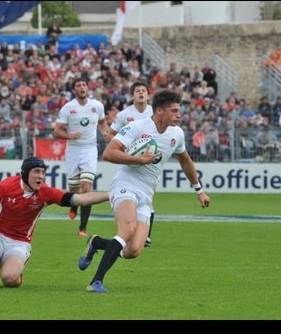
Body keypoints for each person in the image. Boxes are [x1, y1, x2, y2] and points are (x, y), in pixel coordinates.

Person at [79, 89, 211, 293]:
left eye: (179, 110)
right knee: (127, 229)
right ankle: (96, 282)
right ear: (159, 110)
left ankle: (96, 243)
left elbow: (185, 160)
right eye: (174, 110)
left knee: (133, 250)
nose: (179, 114)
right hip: (125, 184)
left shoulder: (177, 133)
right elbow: (109, 153)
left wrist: (199, 190)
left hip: (146, 194)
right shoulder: (137, 127)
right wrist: (140, 160)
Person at [0, 157, 109, 287]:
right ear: (26, 173)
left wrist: (110, 194)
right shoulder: (6, 186)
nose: (41, 176)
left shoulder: (46, 192)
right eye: (36, 172)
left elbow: (80, 199)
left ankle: (13, 267)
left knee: (9, 280)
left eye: (43, 172)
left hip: (20, 242)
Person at [54, 78, 109, 236]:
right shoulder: (68, 108)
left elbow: (102, 122)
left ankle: (82, 228)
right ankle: (74, 206)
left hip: (90, 149)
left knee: (86, 187)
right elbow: (57, 131)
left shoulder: (97, 106)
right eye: (78, 86)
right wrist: (70, 136)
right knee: (74, 188)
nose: (82, 87)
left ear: (87, 88)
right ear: (74, 90)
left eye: (84, 85)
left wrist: (105, 132)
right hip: (73, 150)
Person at [108, 81, 155, 248]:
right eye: (137, 91)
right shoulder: (124, 115)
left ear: (148, 95)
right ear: (132, 95)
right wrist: (125, 148)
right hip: (131, 160)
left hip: (151, 159)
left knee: (149, 194)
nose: (141, 93)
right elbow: (111, 134)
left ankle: (145, 235)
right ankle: (126, 231)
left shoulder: (154, 112)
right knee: (130, 194)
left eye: (144, 90)